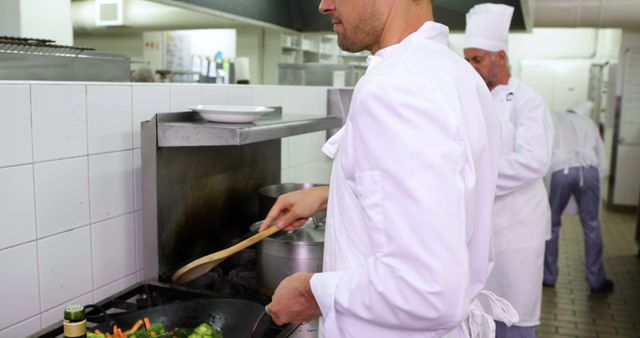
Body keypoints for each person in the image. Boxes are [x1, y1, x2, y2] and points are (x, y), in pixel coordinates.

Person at [258, 0, 519, 336]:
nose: (324, 5)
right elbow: (441, 196)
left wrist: (313, 293)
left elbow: (427, 289)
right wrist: (331, 196)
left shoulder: (396, 87)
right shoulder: (456, 73)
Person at [463, 3, 554, 337]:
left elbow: (534, 160)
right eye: (467, 59)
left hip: (517, 227)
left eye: (477, 59)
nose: (470, 67)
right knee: (478, 310)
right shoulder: (472, 99)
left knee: (514, 315)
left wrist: (474, 178)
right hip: (481, 225)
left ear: (500, 57)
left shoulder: (528, 101)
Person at [544, 100, 614, 294]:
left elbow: (546, 147)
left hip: (560, 170)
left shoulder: (554, 117)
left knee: (552, 225)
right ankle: (596, 280)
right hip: (588, 170)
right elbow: (602, 157)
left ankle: (548, 277)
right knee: (592, 225)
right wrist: (600, 177)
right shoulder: (589, 123)